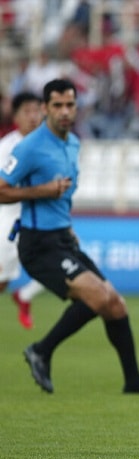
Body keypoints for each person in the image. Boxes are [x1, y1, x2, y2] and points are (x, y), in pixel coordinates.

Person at [0, 78, 139, 396]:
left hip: (62, 238)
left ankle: (133, 383)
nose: (65, 112)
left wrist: (66, 225)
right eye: (57, 106)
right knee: (97, 297)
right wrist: (42, 190)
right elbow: (1, 190)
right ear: (45, 108)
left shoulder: (73, 143)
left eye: (70, 105)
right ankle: (42, 350)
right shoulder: (28, 147)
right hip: (38, 245)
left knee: (116, 305)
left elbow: (61, 197)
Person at [0, 91, 46, 329]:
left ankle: (24, 296)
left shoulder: (48, 143)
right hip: (10, 219)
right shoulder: (7, 147)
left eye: (36, 110)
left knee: (62, 265)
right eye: (26, 111)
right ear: (15, 116)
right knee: (2, 279)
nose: (33, 116)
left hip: (41, 218)